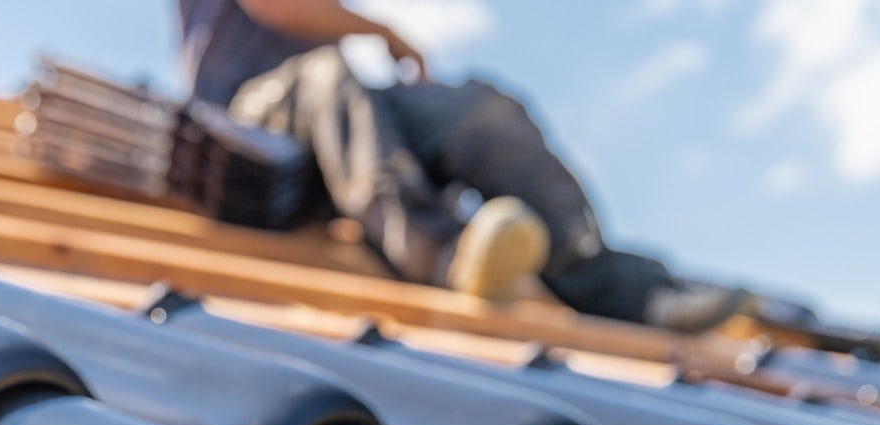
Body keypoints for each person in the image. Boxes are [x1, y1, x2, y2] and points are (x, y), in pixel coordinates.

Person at [177, 0, 752, 333]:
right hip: (246, 129)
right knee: (330, 75)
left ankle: (613, 284)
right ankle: (445, 256)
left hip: (344, 118)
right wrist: (382, 31)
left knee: (478, 111)